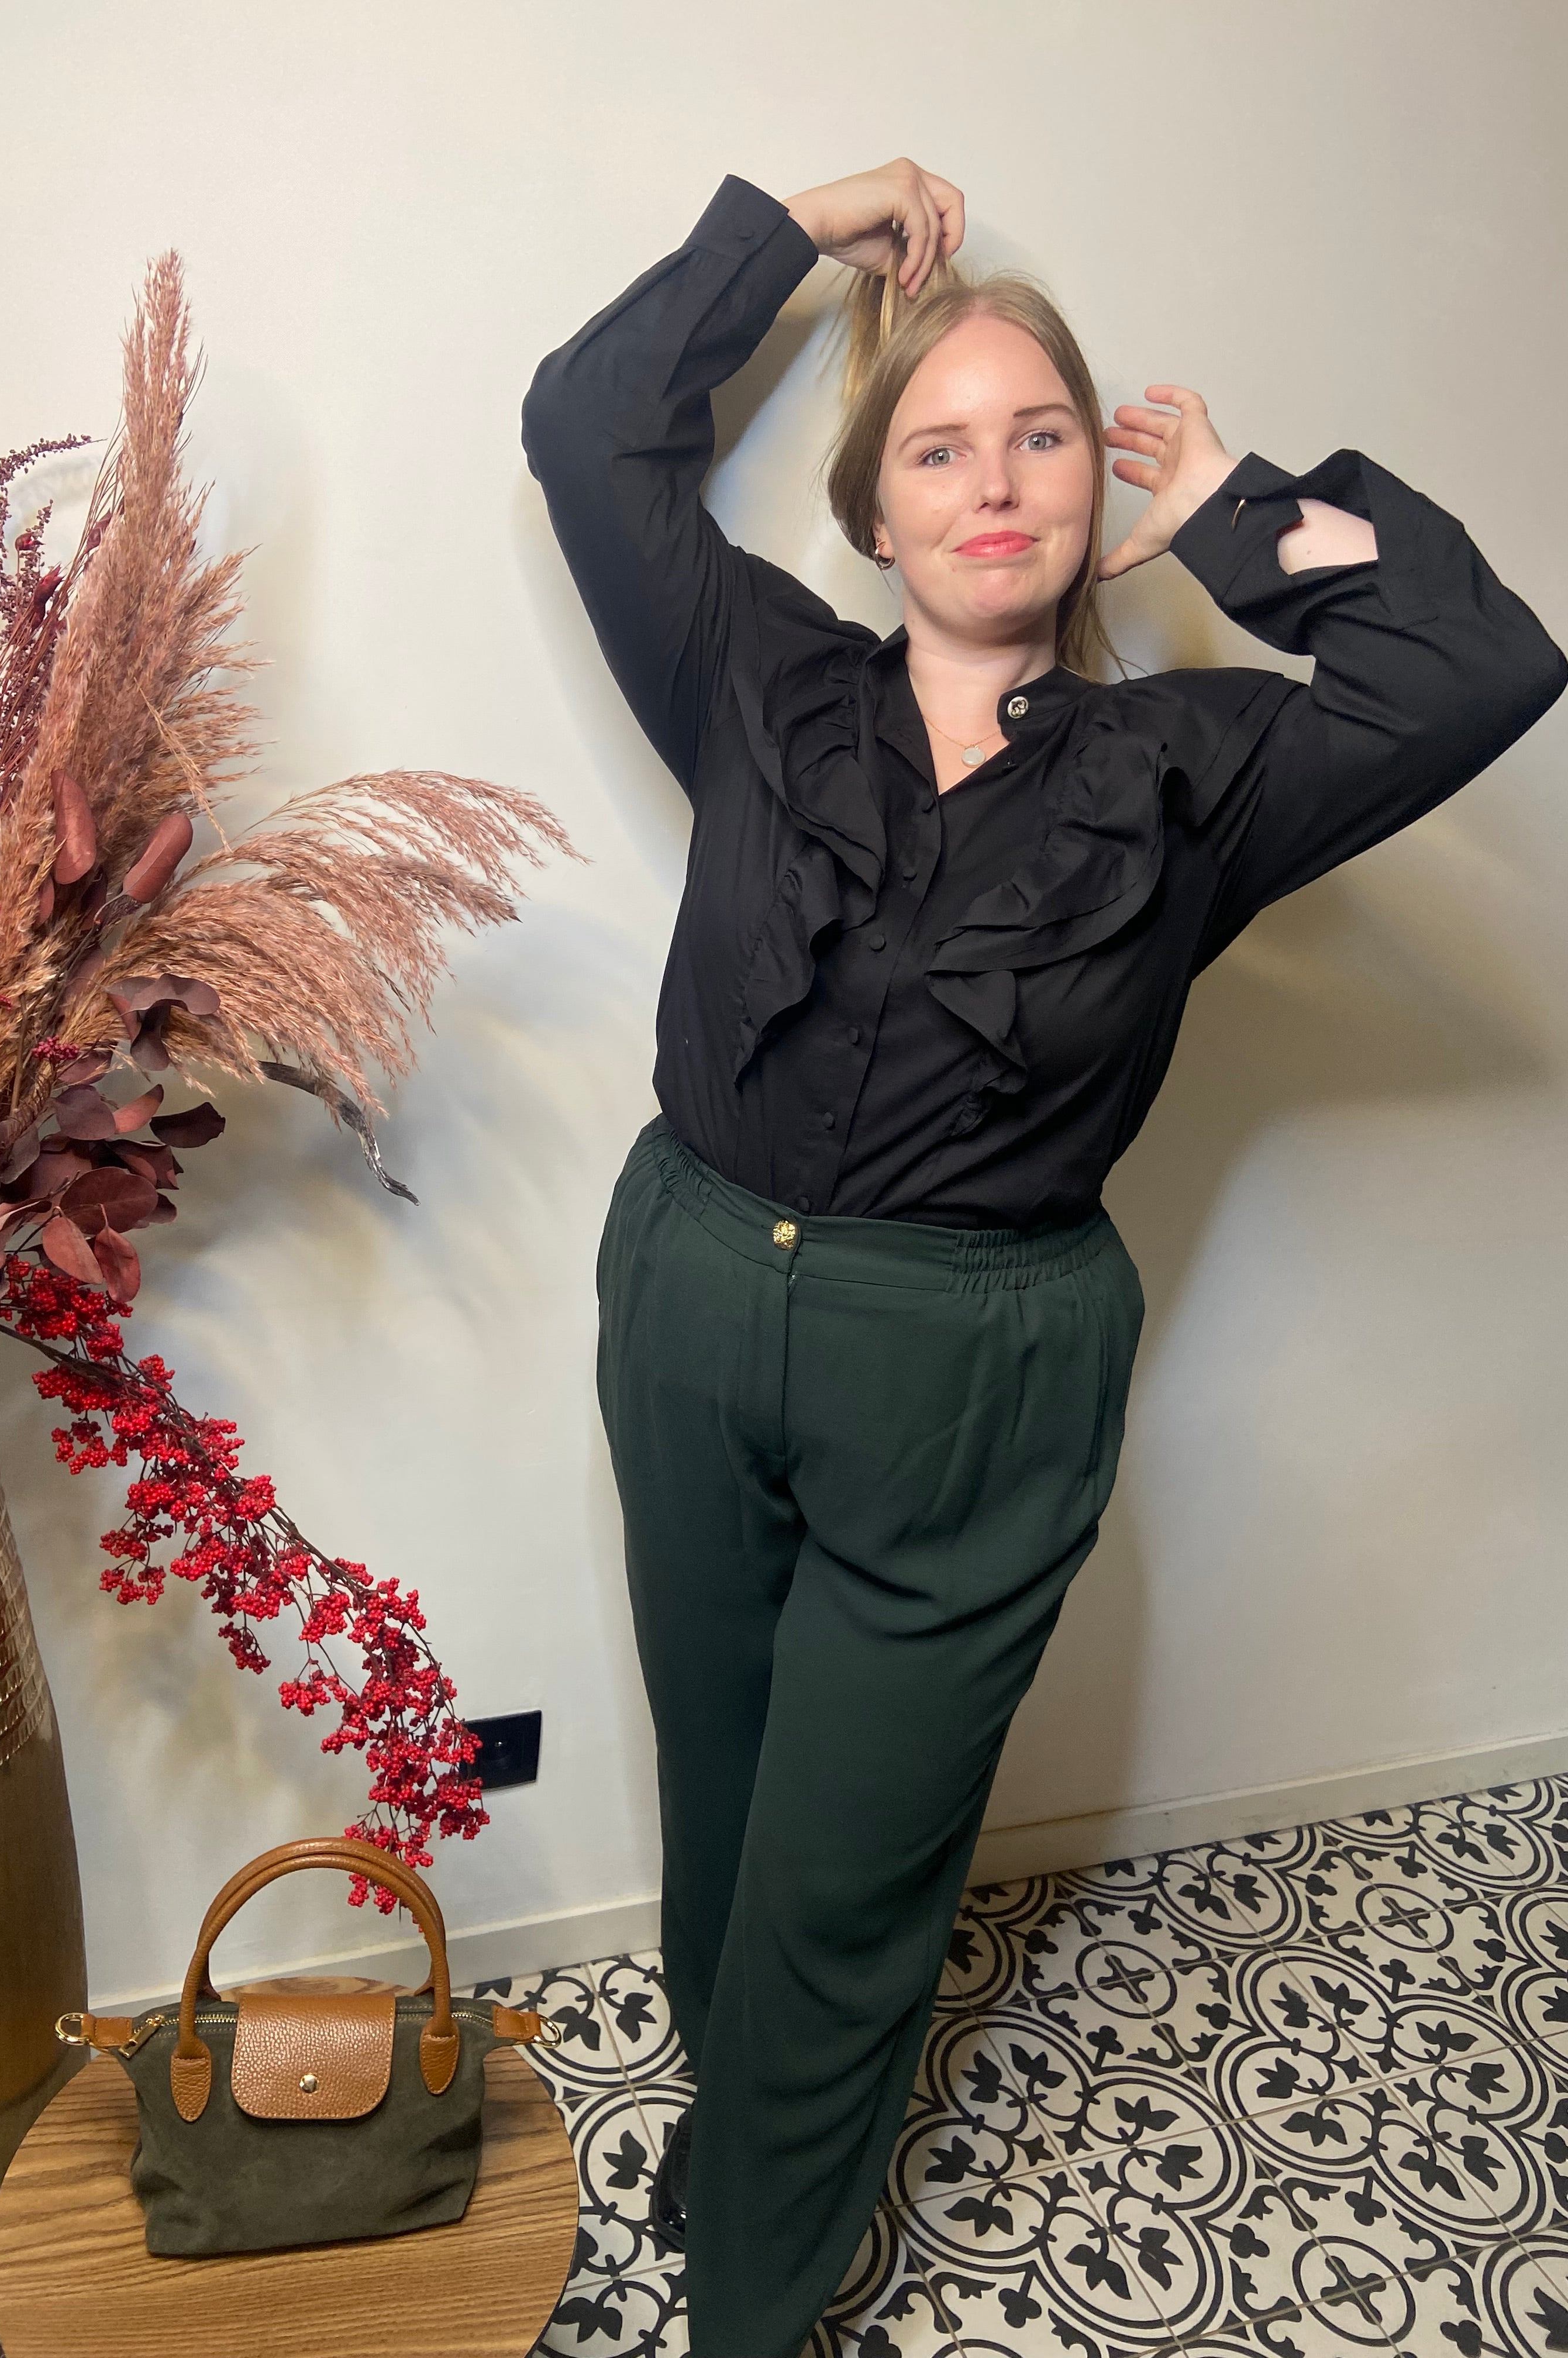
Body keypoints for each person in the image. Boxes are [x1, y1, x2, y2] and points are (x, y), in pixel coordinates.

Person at [520, 158, 1568, 2358]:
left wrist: (1239, 518)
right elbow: (586, 419)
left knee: (846, 1863)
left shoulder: (1199, 769)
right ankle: (746, 2138)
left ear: (1100, 486)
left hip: (973, 1367)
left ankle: (753, 2307)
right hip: (693, 1292)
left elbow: (1482, 657)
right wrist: (809, 227)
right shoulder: (754, 672)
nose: (994, 483)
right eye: (938, 445)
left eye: (1043, 437)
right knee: (721, 1782)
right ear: (875, 517)